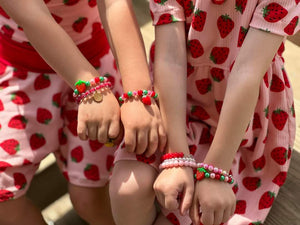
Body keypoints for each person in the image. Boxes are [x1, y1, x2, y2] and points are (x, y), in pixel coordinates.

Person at [108, 1, 300, 225]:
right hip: (177, 102)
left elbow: (247, 71)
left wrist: (216, 171)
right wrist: (176, 156)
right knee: (128, 191)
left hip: (242, 123)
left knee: (196, 214)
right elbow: (170, 59)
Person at [0, 0, 165, 224]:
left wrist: (138, 93)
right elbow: (33, 16)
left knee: (89, 197)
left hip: (95, 61)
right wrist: (90, 86)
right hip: (19, 77)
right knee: (4, 198)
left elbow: (115, 4)